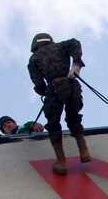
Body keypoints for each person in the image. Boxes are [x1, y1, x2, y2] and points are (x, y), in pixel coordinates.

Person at [27, 32, 91, 175]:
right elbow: (75, 42)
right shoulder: (61, 46)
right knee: (74, 118)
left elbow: (38, 83)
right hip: (72, 84)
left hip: (54, 88)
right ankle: (84, 151)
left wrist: (43, 92)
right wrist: (76, 63)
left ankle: (61, 162)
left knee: (54, 124)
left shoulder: (34, 59)